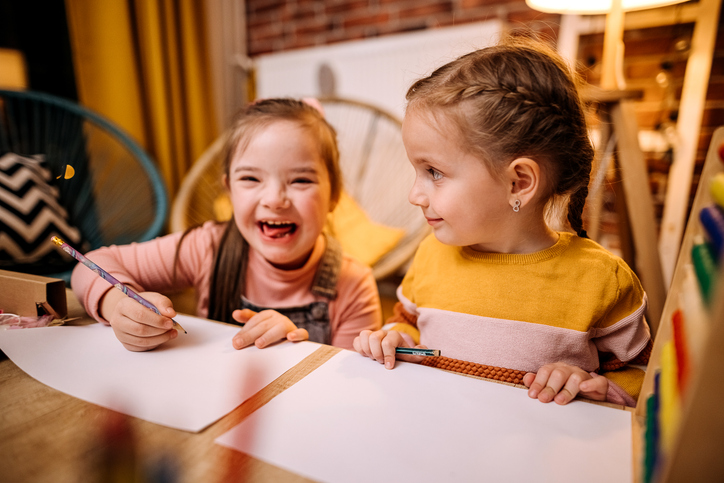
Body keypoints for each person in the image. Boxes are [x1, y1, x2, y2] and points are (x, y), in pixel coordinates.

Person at [353, 36, 651, 407]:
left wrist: (597, 386)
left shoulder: (601, 281)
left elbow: (644, 378)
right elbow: (410, 327)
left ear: (519, 182)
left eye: (434, 172)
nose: (415, 194)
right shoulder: (431, 254)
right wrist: (395, 339)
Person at [72, 98, 382, 352]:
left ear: (334, 197)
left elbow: (351, 393)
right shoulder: (207, 247)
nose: (274, 199)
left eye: (300, 180)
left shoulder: (354, 286)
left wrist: (296, 350)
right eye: (250, 179)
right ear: (229, 190)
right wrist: (118, 305)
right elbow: (90, 264)